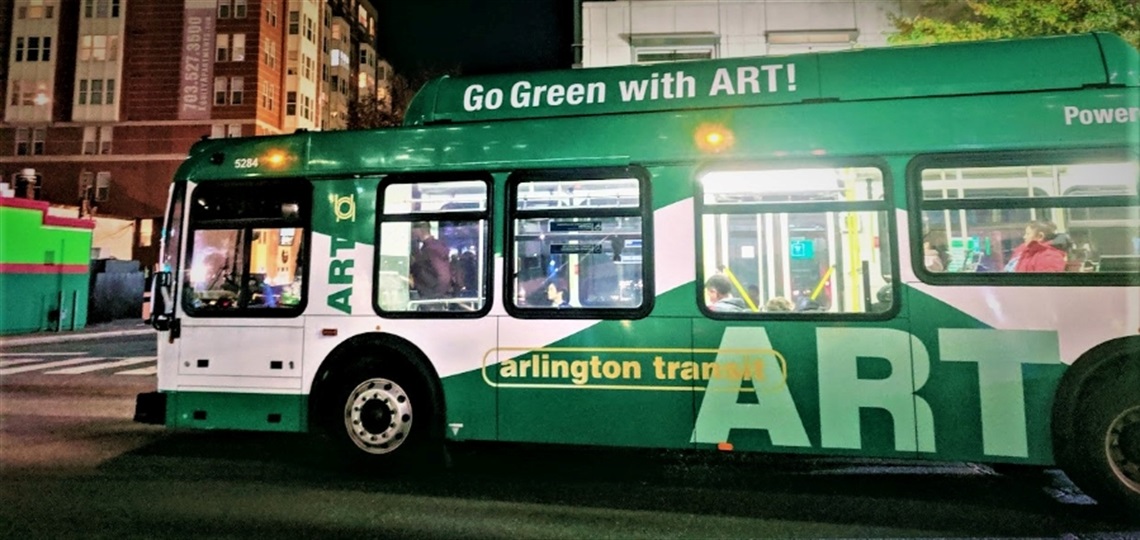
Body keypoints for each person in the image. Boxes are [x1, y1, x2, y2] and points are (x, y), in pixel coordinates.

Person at [409, 221, 452, 304]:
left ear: (419, 230)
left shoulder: (431, 249)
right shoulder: (431, 247)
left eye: (413, 230)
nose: (412, 233)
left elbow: (444, 276)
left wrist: (435, 296)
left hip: (431, 297)